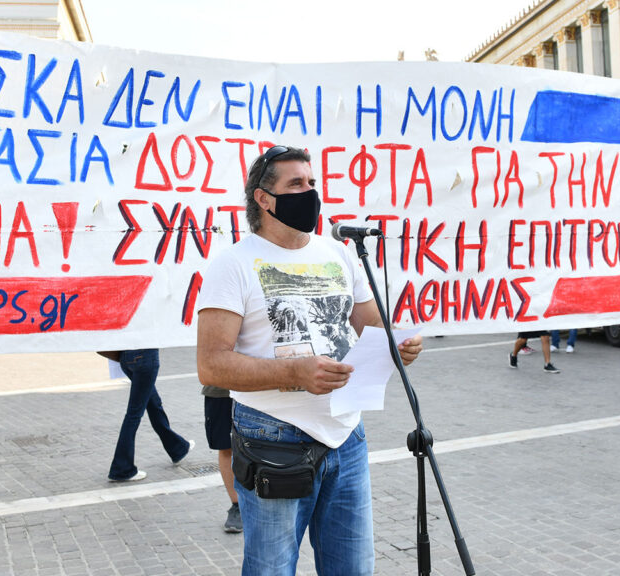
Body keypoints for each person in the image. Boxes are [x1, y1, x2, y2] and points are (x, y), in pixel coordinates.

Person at [196, 145, 424, 574]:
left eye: (312, 182)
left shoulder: (339, 253)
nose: (310, 192)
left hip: (346, 438)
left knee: (353, 568)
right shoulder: (232, 264)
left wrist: (399, 344)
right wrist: (294, 372)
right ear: (264, 199)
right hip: (272, 441)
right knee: (272, 568)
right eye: (296, 184)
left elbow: (371, 325)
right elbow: (212, 365)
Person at [104, 349, 192, 482]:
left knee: (154, 404)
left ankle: (177, 448)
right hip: (145, 357)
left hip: (126, 357)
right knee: (134, 414)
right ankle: (122, 468)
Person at [202, 384, 241, 533]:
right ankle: (237, 505)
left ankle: (263, 502)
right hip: (220, 389)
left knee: (263, 445)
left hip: (258, 391)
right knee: (225, 446)